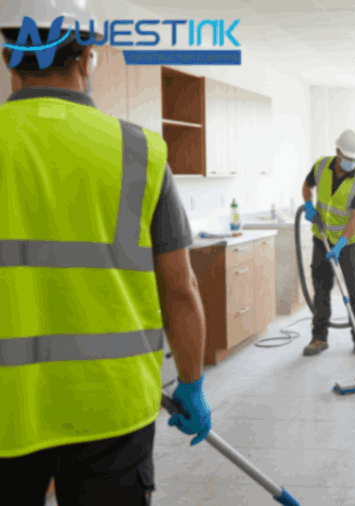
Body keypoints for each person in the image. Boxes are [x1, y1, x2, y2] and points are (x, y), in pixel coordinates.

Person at [0, 1, 212, 504]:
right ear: (87, 58)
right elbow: (179, 290)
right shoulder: (139, 151)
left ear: (10, 59)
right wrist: (191, 382)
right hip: (112, 407)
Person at [301, 129, 355, 357]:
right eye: (348, 158)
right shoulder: (322, 166)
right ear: (338, 152)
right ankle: (319, 338)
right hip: (322, 237)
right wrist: (309, 205)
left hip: (350, 243)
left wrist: (340, 245)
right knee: (321, 290)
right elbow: (307, 186)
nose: (351, 162)